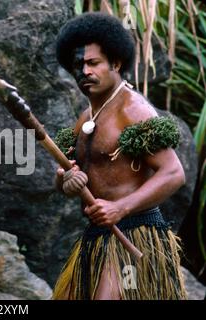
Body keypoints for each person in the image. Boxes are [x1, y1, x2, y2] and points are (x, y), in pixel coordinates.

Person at [51, 13, 187, 300]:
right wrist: (66, 180)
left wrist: (121, 208)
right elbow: (63, 181)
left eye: (93, 63)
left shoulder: (132, 110)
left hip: (134, 237)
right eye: (78, 65)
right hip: (97, 238)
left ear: (116, 63)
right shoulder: (85, 119)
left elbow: (174, 173)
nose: (84, 71)